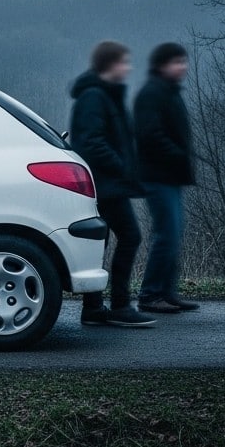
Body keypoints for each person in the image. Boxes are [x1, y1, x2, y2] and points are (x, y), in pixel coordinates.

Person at [70, 41, 155, 328]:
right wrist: (121, 166)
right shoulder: (94, 96)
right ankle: (119, 305)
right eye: (124, 62)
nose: (128, 68)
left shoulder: (104, 94)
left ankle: (94, 308)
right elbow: (91, 142)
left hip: (108, 183)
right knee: (130, 236)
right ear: (110, 64)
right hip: (105, 184)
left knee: (102, 243)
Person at [135, 42, 200, 314]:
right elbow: (149, 135)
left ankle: (167, 292)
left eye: (184, 61)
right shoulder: (152, 93)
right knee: (166, 234)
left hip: (170, 176)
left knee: (172, 234)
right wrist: (177, 154)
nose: (183, 67)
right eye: (177, 62)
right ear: (162, 65)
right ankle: (150, 294)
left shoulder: (169, 91)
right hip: (157, 176)